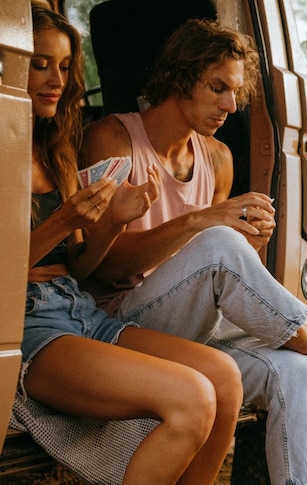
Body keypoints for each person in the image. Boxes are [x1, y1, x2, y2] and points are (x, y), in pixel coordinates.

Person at [79, 18, 307, 484]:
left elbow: (214, 270)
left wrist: (249, 243)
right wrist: (204, 223)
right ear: (179, 77)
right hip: (122, 324)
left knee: (300, 376)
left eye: (235, 92)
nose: (230, 105)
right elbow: (98, 270)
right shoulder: (112, 139)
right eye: (217, 87)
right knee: (219, 243)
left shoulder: (216, 157)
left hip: (195, 328)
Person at [18, 5, 243, 484]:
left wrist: (113, 224)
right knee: (192, 398)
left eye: (64, 66)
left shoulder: (56, 150)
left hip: (78, 309)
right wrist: (61, 222)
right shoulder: (4, 149)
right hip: (28, 324)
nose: (55, 78)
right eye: (39, 63)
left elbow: (80, 270)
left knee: (224, 379)